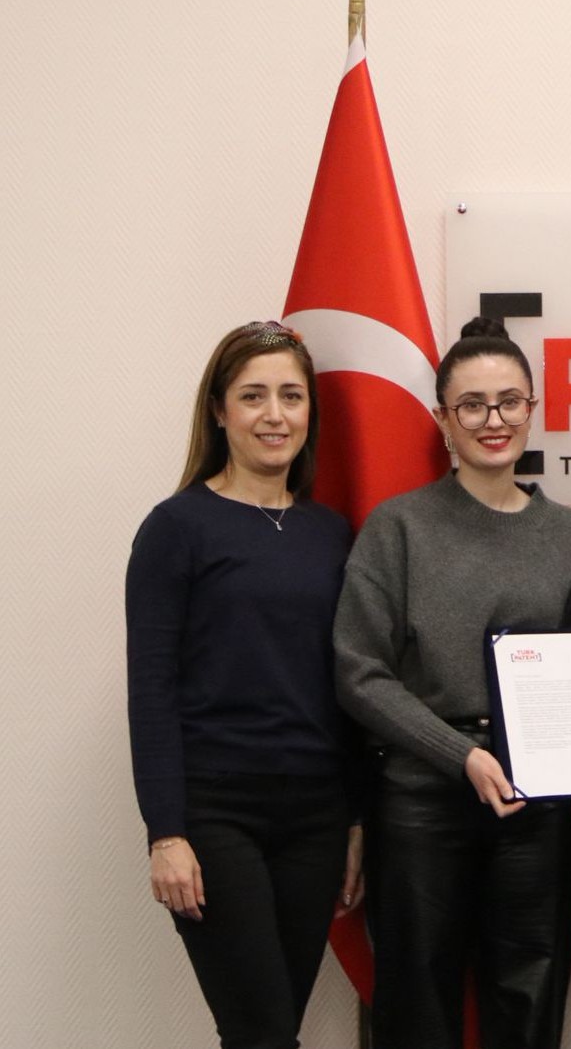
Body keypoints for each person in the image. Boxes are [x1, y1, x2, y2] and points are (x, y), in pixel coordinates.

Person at [333, 317, 571, 1049]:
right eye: (472, 405)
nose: (493, 420)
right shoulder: (398, 528)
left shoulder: (566, 534)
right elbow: (360, 673)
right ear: (443, 419)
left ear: (532, 410)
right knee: (417, 1004)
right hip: (421, 800)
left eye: (509, 401)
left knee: (530, 1001)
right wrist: (462, 756)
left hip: (535, 803)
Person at [126, 321, 361, 1049]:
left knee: (271, 1030)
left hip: (317, 817)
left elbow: (348, 684)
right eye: (253, 395)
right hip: (215, 814)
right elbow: (151, 688)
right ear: (219, 411)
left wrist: (355, 819)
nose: (274, 414)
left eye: (292, 395)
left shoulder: (333, 533)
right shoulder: (176, 528)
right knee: (261, 1032)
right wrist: (166, 833)